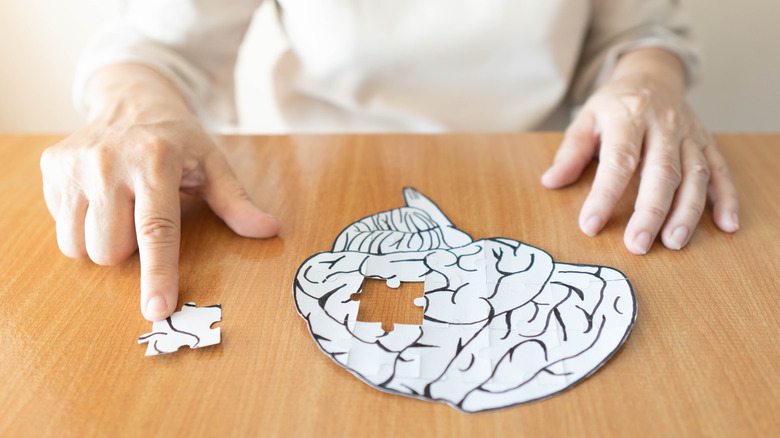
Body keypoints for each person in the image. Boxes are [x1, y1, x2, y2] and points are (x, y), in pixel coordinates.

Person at [39, 0, 738, 322]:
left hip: (553, 187)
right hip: (297, 203)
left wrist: (646, 83)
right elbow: (152, 48)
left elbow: (642, 31)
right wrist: (137, 114)